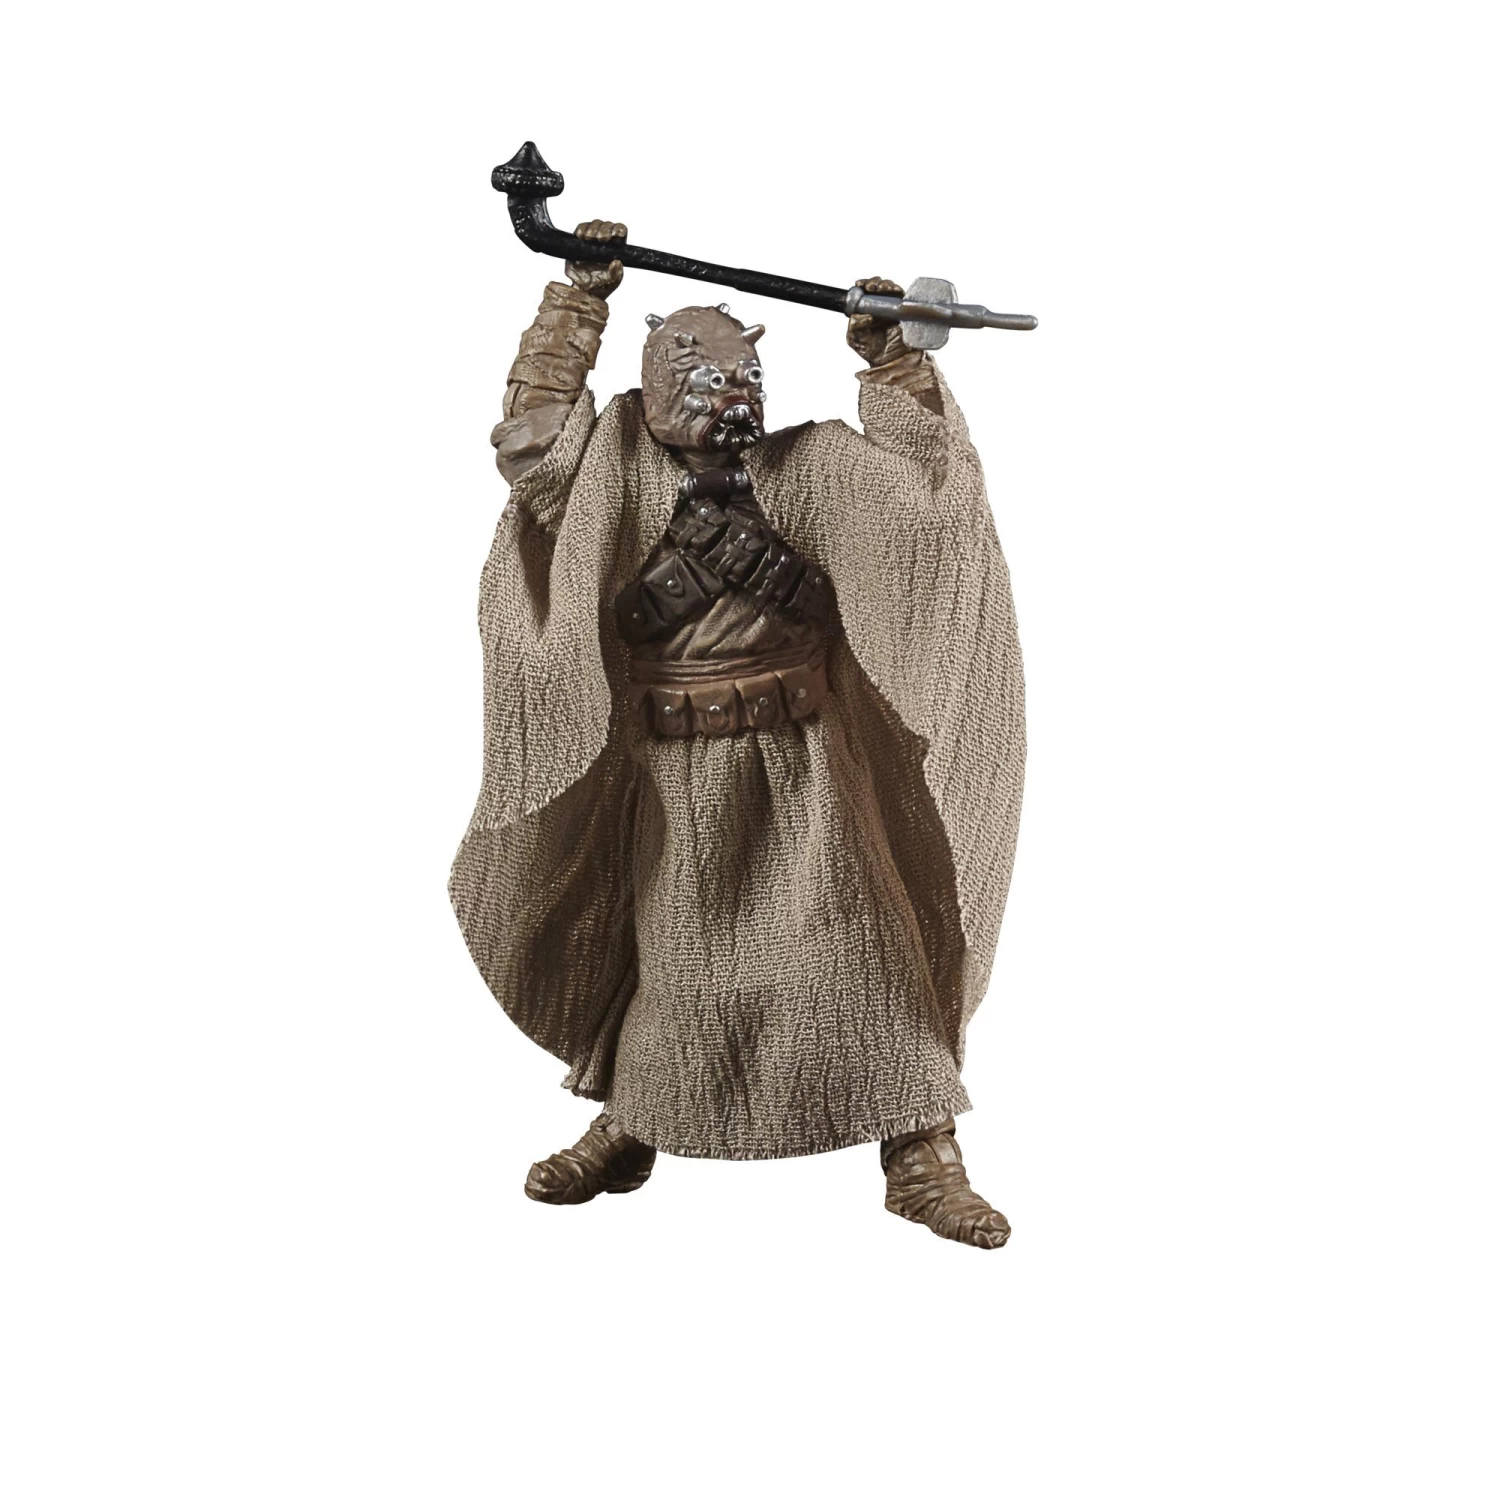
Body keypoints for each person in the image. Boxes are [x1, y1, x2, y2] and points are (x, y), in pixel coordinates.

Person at [451, 221, 1026, 1249]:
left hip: (810, 769)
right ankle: (632, 1119)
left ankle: (920, 1148)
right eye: (702, 370)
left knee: (858, 952)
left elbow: (926, 508)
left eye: (744, 370)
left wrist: (892, 360)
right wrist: (577, 303)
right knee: (676, 962)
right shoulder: (611, 470)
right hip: (674, 771)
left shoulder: (807, 469)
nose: (731, 389)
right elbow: (530, 440)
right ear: (656, 378)